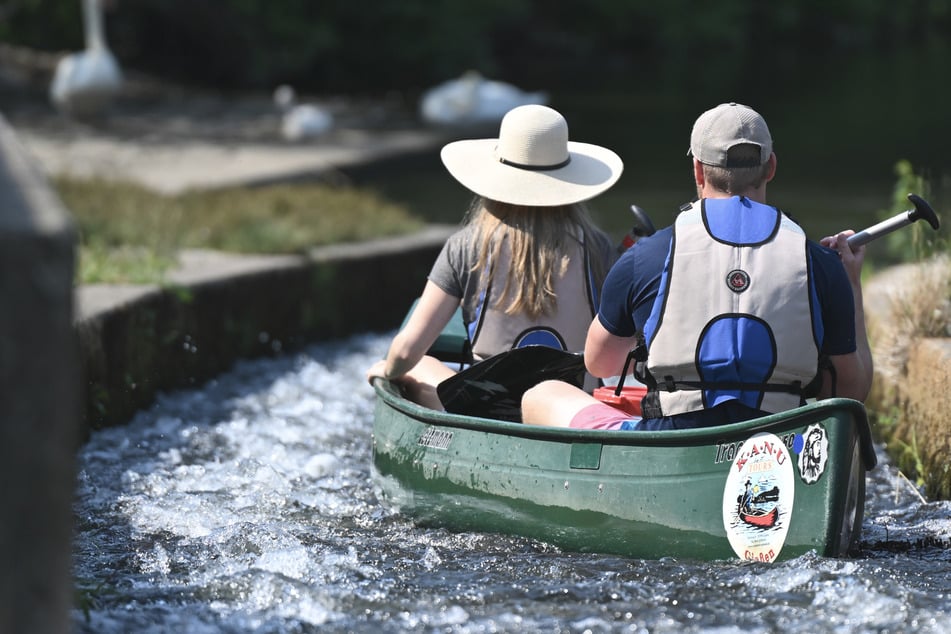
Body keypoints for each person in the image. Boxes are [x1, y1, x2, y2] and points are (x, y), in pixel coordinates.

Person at [521, 102, 873, 430]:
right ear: (771, 167)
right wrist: (851, 284)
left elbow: (600, 365)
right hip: (776, 448)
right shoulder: (820, 263)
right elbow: (847, 393)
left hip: (672, 443)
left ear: (698, 170)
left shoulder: (647, 256)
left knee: (542, 393)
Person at [366, 104, 624, 409]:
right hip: (569, 412)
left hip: (485, 411)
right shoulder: (599, 248)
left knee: (420, 363)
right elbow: (619, 358)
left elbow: (408, 348)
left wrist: (389, 370)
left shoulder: (466, 247)